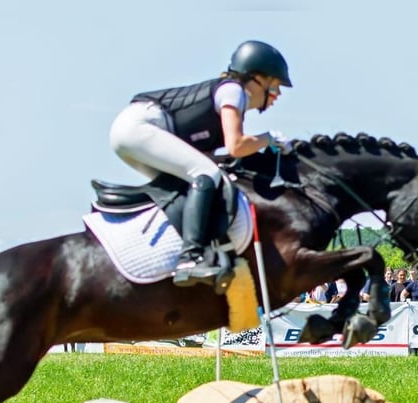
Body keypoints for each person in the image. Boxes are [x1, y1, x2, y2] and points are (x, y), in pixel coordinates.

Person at [109, 40, 293, 288]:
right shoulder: (234, 91)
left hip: (132, 131)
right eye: (275, 85)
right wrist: (268, 139)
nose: (278, 95)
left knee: (191, 182)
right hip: (141, 125)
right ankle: (191, 258)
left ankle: (173, 251)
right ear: (257, 78)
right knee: (205, 173)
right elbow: (236, 146)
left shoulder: (228, 97)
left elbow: (220, 155)